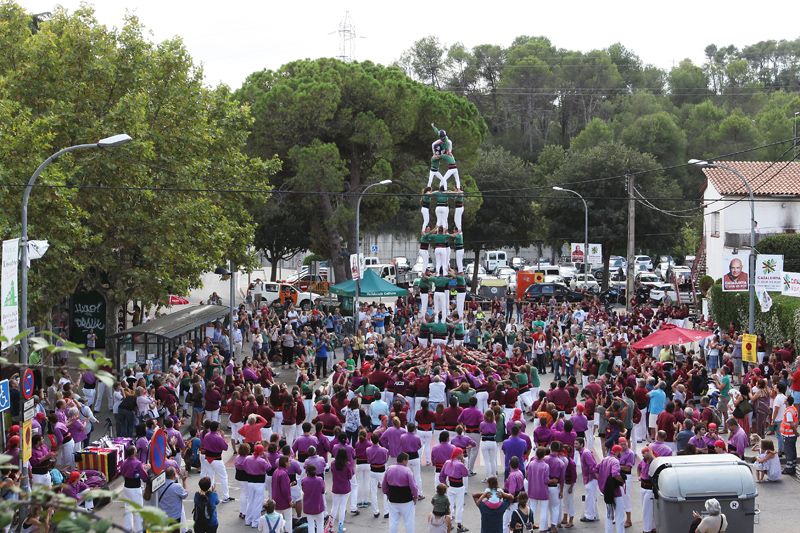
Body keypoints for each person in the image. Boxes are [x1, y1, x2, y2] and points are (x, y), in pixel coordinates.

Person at [383, 452, 419, 533]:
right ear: (404, 460)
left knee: (393, 522)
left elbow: (384, 485)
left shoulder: (389, 469)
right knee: (409, 522)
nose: (407, 462)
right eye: (407, 460)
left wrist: (387, 494)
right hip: (406, 500)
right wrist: (415, 496)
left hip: (392, 499)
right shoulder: (407, 471)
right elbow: (413, 486)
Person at [118, 445, 149, 533]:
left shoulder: (124, 462)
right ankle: (139, 530)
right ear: (134, 452)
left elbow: (122, 473)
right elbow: (144, 476)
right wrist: (146, 472)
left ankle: (127, 529)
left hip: (126, 487)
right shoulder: (137, 463)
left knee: (128, 508)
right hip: (135, 488)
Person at [597, 445, 625, 533]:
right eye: (621, 451)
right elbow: (615, 474)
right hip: (615, 491)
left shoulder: (604, 459)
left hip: (606, 491)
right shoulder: (615, 461)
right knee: (619, 515)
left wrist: (602, 481)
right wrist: (622, 481)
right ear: (617, 451)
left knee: (609, 515)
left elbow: (595, 470)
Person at [331, 448, 355, 533]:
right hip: (345, 488)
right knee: (342, 507)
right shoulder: (347, 465)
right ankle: (340, 527)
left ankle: (330, 526)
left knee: (334, 507)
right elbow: (350, 476)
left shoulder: (333, 464)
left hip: (335, 488)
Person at [301, 464, 326, 533]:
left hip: (308, 506)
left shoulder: (304, 481)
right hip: (318, 506)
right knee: (320, 524)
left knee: (310, 524)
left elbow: (304, 490)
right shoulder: (320, 480)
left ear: (307, 472)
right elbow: (323, 491)